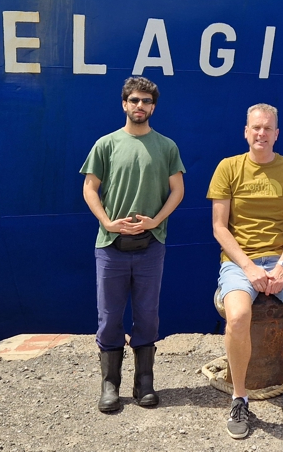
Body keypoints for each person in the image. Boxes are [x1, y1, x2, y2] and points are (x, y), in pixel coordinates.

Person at [210, 104, 283, 439]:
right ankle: (240, 397)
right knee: (237, 317)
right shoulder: (228, 168)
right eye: (255, 128)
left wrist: (281, 268)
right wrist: (248, 267)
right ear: (246, 132)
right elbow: (220, 228)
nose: (261, 134)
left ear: (277, 133)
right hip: (237, 262)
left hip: (281, 261)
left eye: (267, 128)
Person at [80, 76, 186, 413]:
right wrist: (107, 222)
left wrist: (155, 221)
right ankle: (110, 385)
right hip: (111, 246)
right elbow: (90, 188)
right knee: (110, 316)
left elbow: (178, 190)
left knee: (148, 316)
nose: (140, 106)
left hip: (150, 246)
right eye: (134, 100)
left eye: (146, 101)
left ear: (153, 106)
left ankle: (145, 383)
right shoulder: (106, 145)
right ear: (124, 104)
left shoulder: (167, 146)